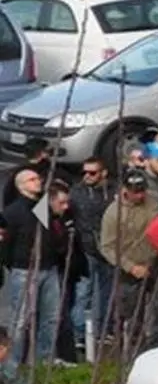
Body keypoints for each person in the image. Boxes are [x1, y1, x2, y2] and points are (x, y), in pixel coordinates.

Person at [2, 176, 72, 370]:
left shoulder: (43, 208)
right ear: (21, 186)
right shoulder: (13, 212)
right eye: (32, 179)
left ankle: (43, 363)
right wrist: (17, 265)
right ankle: (13, 366)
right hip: (25, 271)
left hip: (49, 269)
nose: (38, 181)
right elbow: (6, 244)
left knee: (51, 318)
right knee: (20, 321)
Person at [98, 169, 158, 346]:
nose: (140, 195)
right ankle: (132, 351)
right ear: (125, 190)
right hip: (129, 270)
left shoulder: (153, 202)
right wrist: (131, 267)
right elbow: (107, 247)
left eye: (142, 190)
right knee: (132, 315)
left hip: (155, 263)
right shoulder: (113, 213)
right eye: (135, 191)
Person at [70, 157, 116, 343]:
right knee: (84, 291)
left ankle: (103, 330)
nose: (87, 176)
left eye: (92, 172)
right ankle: (79, 333)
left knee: (107, 291)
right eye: (84, 172)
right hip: (85, 248)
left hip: (109, 249)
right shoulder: (77, 192)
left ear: (103, 173)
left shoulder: (114, 191)